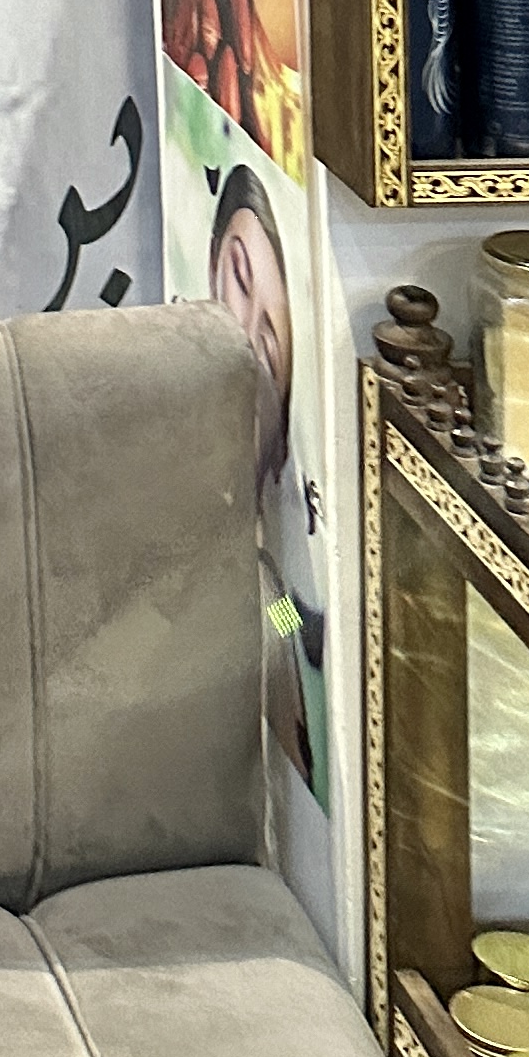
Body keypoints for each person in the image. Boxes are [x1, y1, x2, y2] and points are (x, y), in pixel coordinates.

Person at [209, 161, 321, 791]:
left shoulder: (273, 584)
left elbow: (285, 626)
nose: (247, 342)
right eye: (239, 279)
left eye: (272, 343)